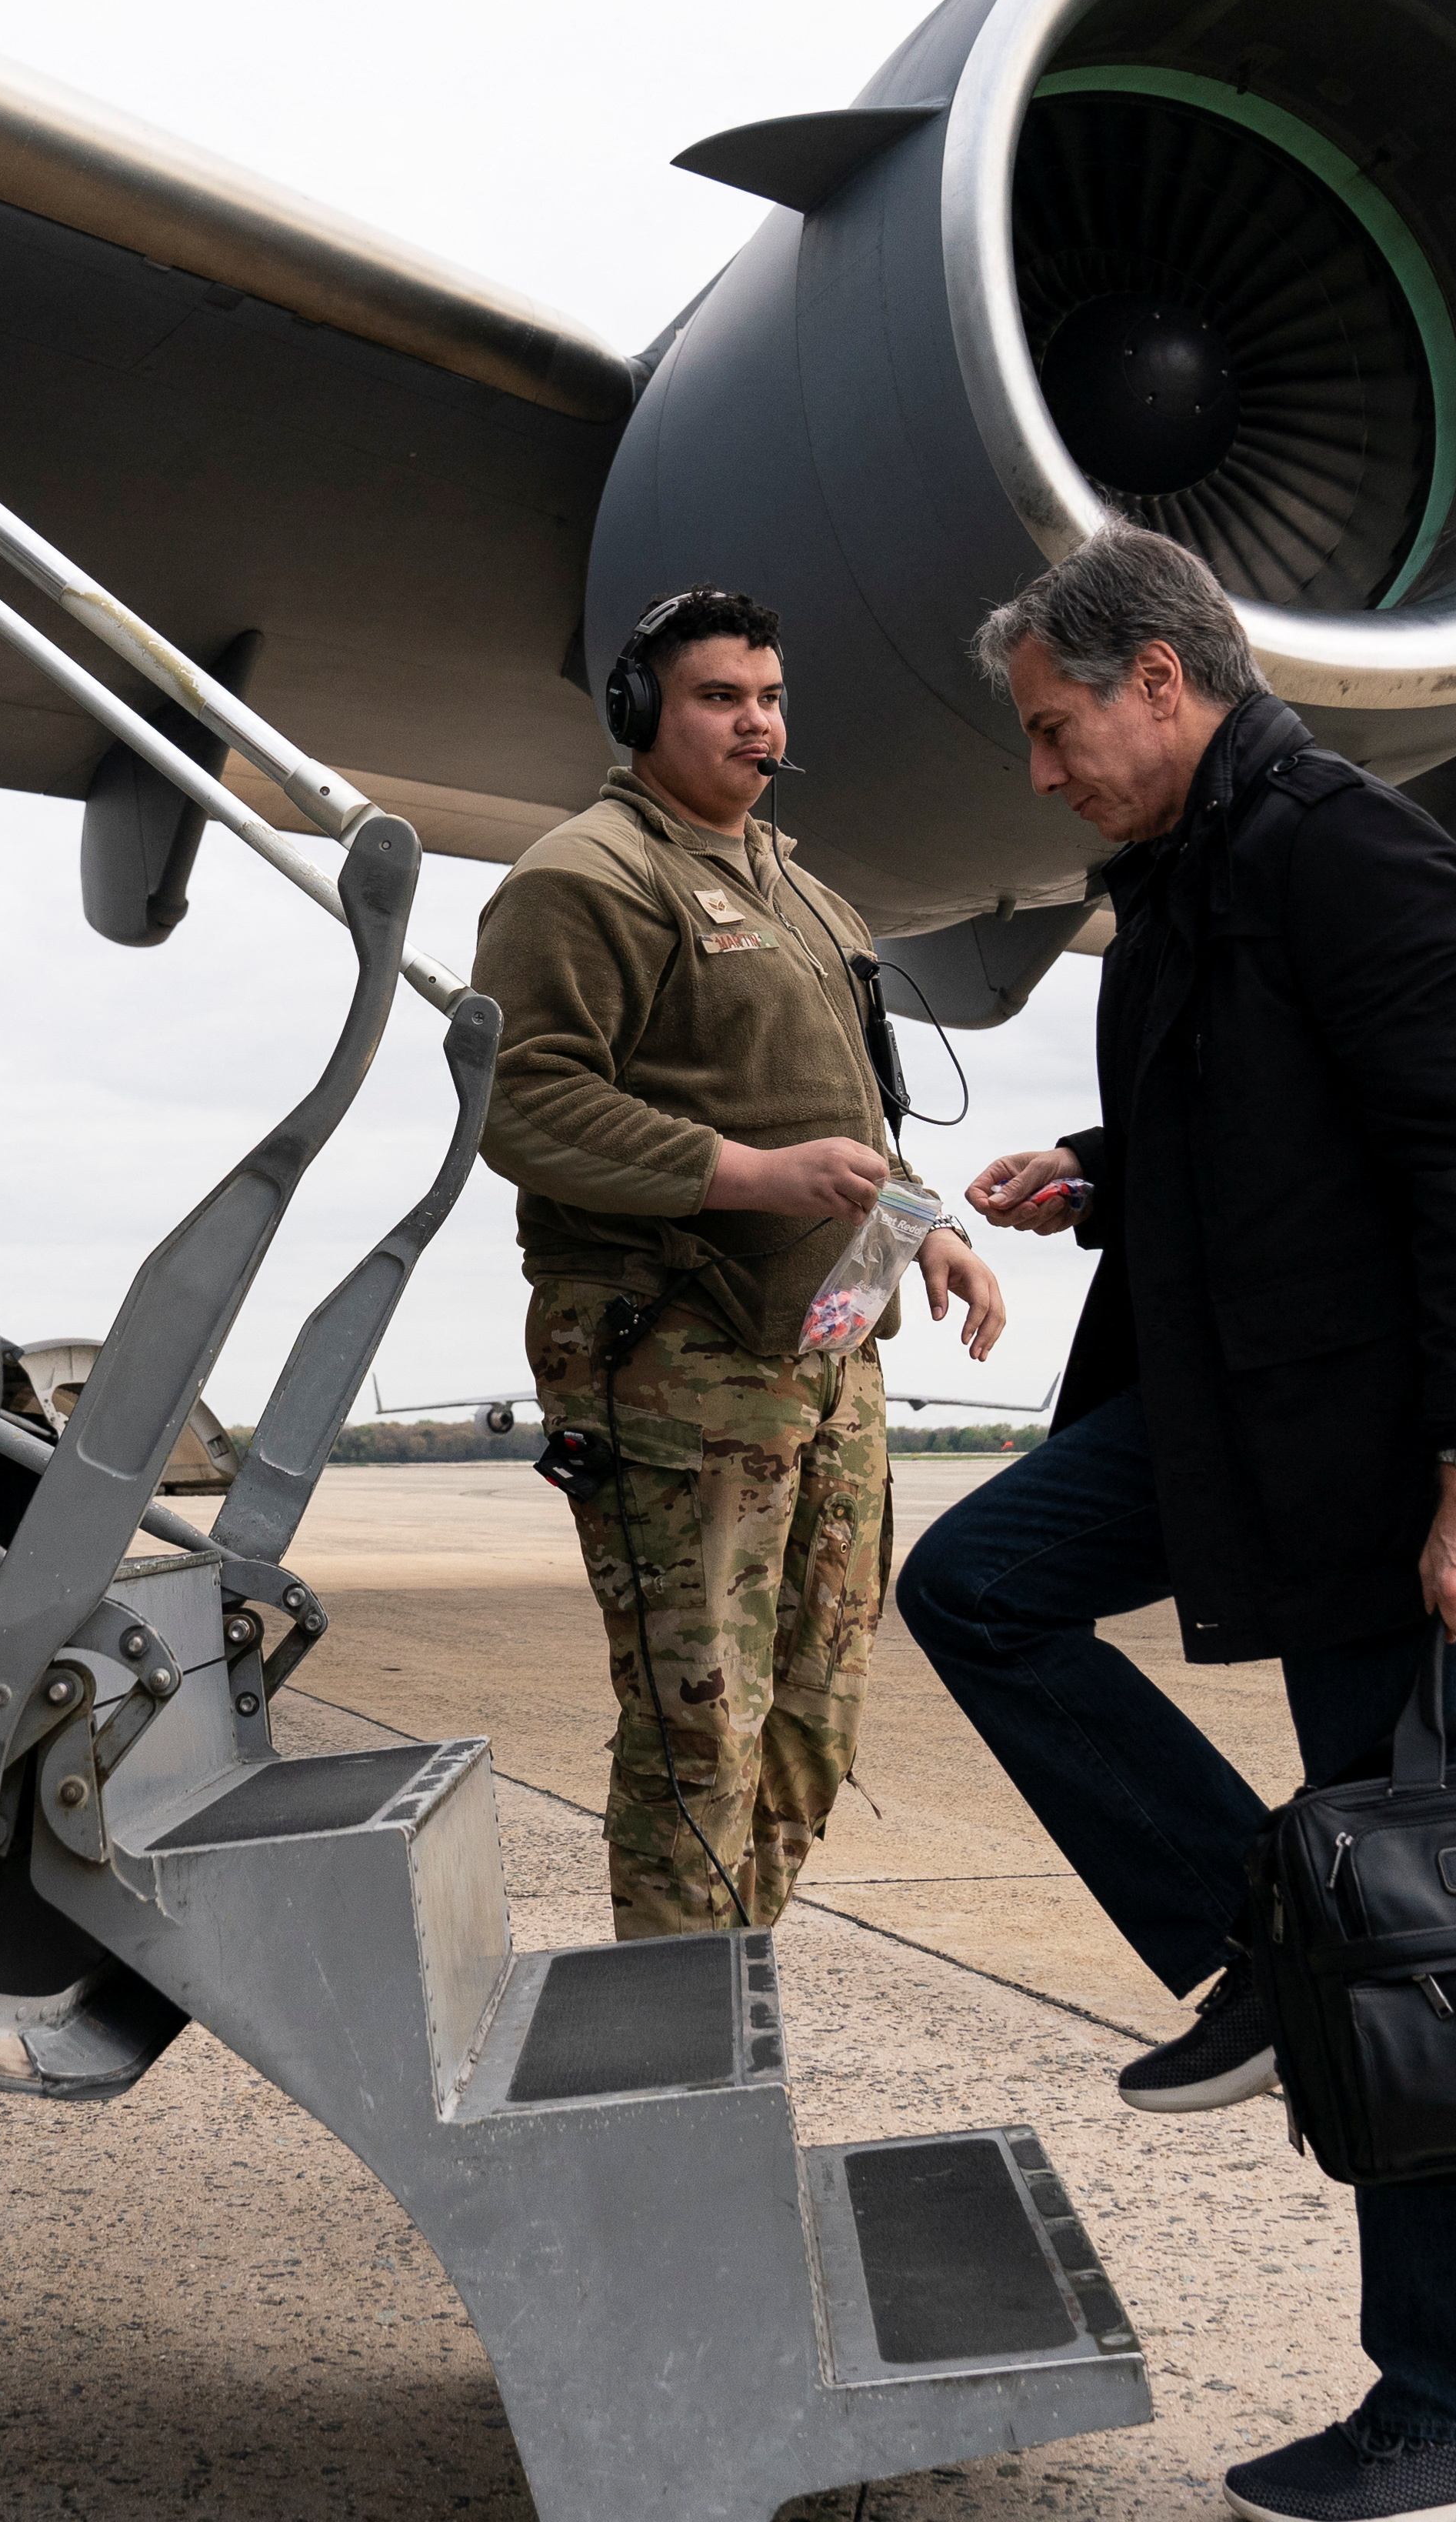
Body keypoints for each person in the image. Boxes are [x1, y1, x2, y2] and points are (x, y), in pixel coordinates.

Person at [896, 528, 1456, 2522]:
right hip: (1237, 1424)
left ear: (1160, 683)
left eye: (1053, 729)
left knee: (1420, 1951)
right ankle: (1265, 1941)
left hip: (1389, 1475)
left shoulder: (1356, 859)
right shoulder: (1200, 875)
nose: (1040, 772)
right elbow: (1289, 1121)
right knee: (983, 1583)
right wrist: (1105, 1171)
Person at [471, 585, 1004, 1938]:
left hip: (830, 1354)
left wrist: (925, 1226)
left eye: (769, 699)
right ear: (643, 712)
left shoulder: (815, 903)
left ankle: (725, 1991)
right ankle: (676, 2054)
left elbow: (853, 1125)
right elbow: (521, 1104)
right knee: (698, 1720)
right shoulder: (583, 880)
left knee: (814, 1717)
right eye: (720, 698)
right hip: (679, 1356)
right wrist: (748, 1177)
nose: (755, 724)